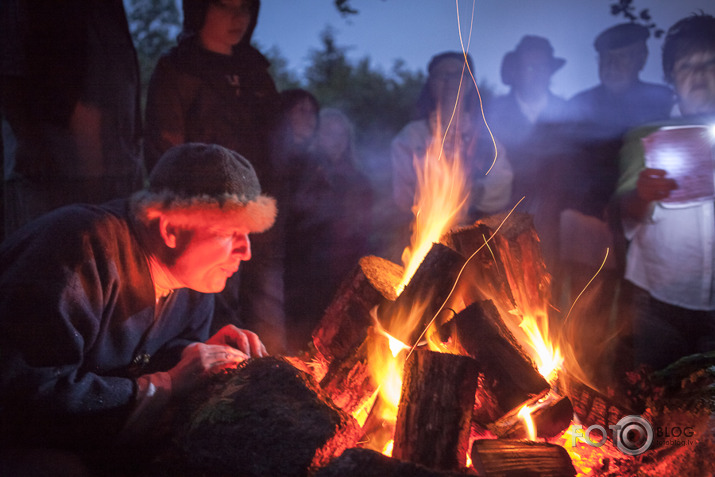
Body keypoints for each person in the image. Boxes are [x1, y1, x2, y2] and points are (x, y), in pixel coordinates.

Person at [0, 143, 275, 476]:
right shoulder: (79, 248)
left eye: (247, 234)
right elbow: (28, 393)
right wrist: (166, 384)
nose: (245, 251)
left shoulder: (194, 283)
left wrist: (197, 356)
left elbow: (155, 352)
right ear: (171, 229)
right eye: (230, 233)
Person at [143, 0, 286, 353]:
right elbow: (165, 144)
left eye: (245, 8)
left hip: (258, 209)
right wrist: (188, 209)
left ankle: (277, 384)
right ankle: (217, 383)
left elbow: (275, 140)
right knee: (214, 303)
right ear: (199, 9)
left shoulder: (255, 72)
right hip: (206, 220)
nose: (237, 17)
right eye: (225, 5)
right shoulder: (179, 69)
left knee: (265, 301)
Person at [615, 13, 715, 371]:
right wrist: (643, 194)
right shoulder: (646, 137)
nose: (700, 74)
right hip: (658, 304)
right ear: (671, 77)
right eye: (687, 65)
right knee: (656, 401)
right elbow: (624, 216)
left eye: (710, 63)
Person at [0, 0, 144, 238]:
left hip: (115, 166)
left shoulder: (107, 10)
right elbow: (9, 69)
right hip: (57, 167)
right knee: (53, 251)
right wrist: (31, 141)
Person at [391, 51, 513, 238]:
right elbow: (402, 196)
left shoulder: (486, 138)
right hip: (422, 236)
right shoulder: (411, 136)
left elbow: (501, 188)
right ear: (431, 83)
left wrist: (470, 193)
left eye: (459, 74)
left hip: (476, 240)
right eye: (442, 75)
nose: (451, 82)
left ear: (470, 83)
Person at [284, 108, 374, 353]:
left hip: (346, 267)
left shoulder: (359, 181)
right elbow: (296, 219)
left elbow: (364, 228)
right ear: (317, 137)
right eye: (328, 133)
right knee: (305, 334)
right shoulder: (301, 174)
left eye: (340, 135)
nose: (335, 141)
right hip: (306, 273)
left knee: (343, 334)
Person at [486, 35, 569, 205]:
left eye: (542, 67)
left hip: (554, 213)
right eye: (530, 67)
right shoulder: (492, 113)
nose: (537, 73)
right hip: (503, 214)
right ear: (516, 71)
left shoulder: (567, 114)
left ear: (550, 72)